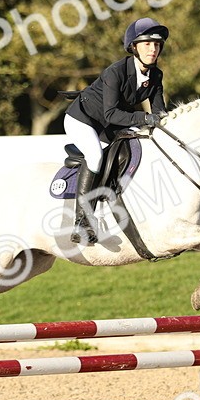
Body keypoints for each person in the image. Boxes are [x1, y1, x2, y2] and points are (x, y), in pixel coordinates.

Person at [63, 17, 169, 244]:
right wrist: (145, 118)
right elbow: (112, 113)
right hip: (83, 119)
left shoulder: (156, 75)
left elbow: (159, 114)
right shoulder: (116, 72)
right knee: (95, 155)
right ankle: (81, 222)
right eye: (147, 43)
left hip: (110, 123)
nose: (153, 49)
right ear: (134, 47)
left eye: (157, 44)